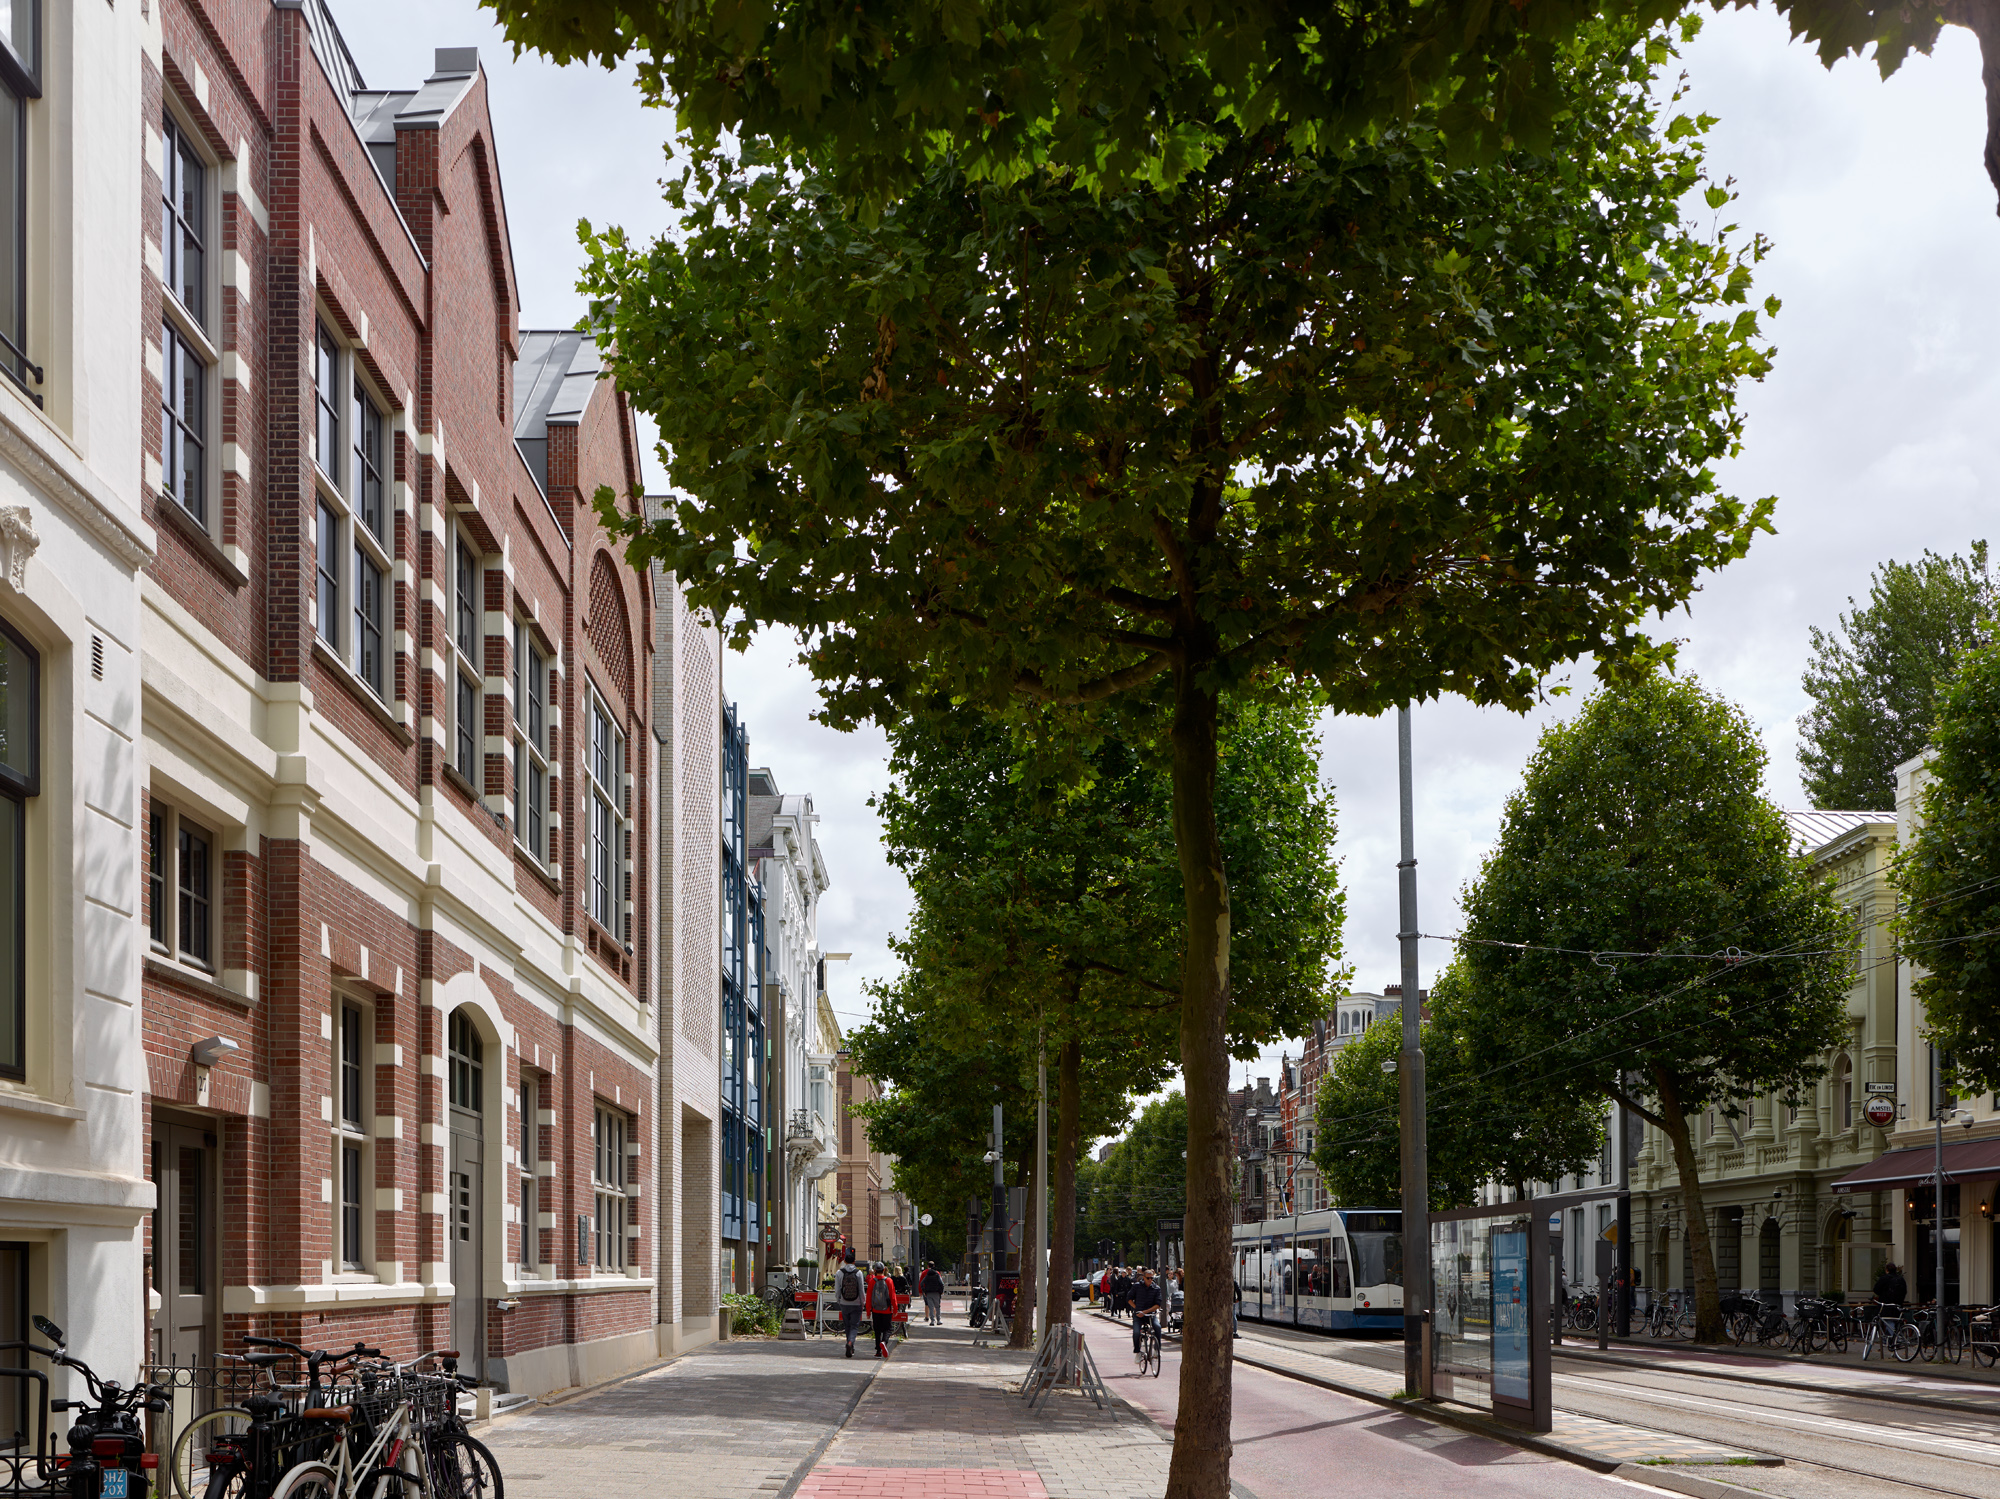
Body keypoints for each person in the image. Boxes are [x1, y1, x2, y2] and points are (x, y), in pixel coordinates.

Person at [832, 1247, 868, 1358]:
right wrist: (863, 1301)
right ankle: (850, 1343)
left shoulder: (839, 1272)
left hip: (844, 1302)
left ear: (844, 1261)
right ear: (854, 1262)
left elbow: (837, 1289)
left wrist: (838, 1299)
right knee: (854, 1326)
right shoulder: (858, 1273)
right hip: (856, 1303)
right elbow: (861, 1289)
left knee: (847, 1325)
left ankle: (849, 1344)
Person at [866, 1260, 898, 1357]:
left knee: (877, 1330)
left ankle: (878, 1351)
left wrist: (868, 1311)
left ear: (875, 1270)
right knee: (888, 1329)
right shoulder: (889, 1281)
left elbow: (869, 1297)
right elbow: (893, 1296)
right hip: (887, 1309)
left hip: (875, 1310)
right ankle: (884, 1341)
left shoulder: (872, 1281)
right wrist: (895, 1309)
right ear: (884, 1270)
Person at [1130, 1267, 1164, 1356]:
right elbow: (1129, 1299)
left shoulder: (1156, 1288)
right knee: (1136, 1332)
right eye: (1148, 1278)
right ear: (1143, 1278)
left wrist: (1145, 1312)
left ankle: (1157, 1350)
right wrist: (1137, 1309)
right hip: (1138, 1315)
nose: (1150, 1280)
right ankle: (1137, 1352)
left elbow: (1158, 1304)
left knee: (1157, 1327)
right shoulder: (1137, 1286)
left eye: (1152, 1278)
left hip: (1150, 1315)